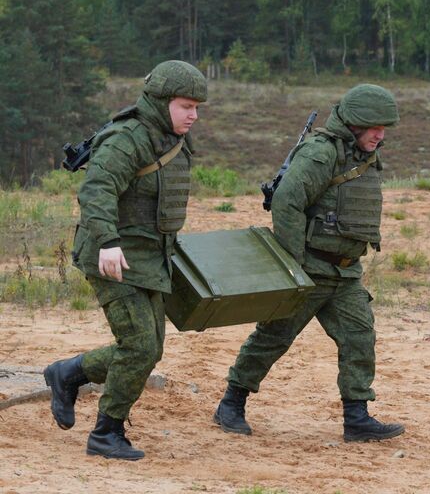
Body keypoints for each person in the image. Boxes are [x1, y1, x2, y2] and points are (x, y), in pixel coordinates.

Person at [214, 84, 404, 443]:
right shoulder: (321, 153)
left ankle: (357, 417)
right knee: (273, 337)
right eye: (374, 126)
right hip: (310, 268)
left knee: (359, 338)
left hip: (345, 272)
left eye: (385, 128)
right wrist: (293, 266)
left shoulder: (362, 154)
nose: (380, 134)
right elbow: (287, 203)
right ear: (354, 123)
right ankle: (231, 403)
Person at [43, 60, 207, 460]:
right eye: (186, 105)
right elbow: (97, 191)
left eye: (197, 107)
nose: (194, 114)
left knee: (149, 351)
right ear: (162, 100)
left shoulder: (170, 140)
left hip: (150, 260)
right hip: (110, 257)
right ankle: (106, 433)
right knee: (137, 347)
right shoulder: (127, 139)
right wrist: (108, 242)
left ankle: (69, 373)